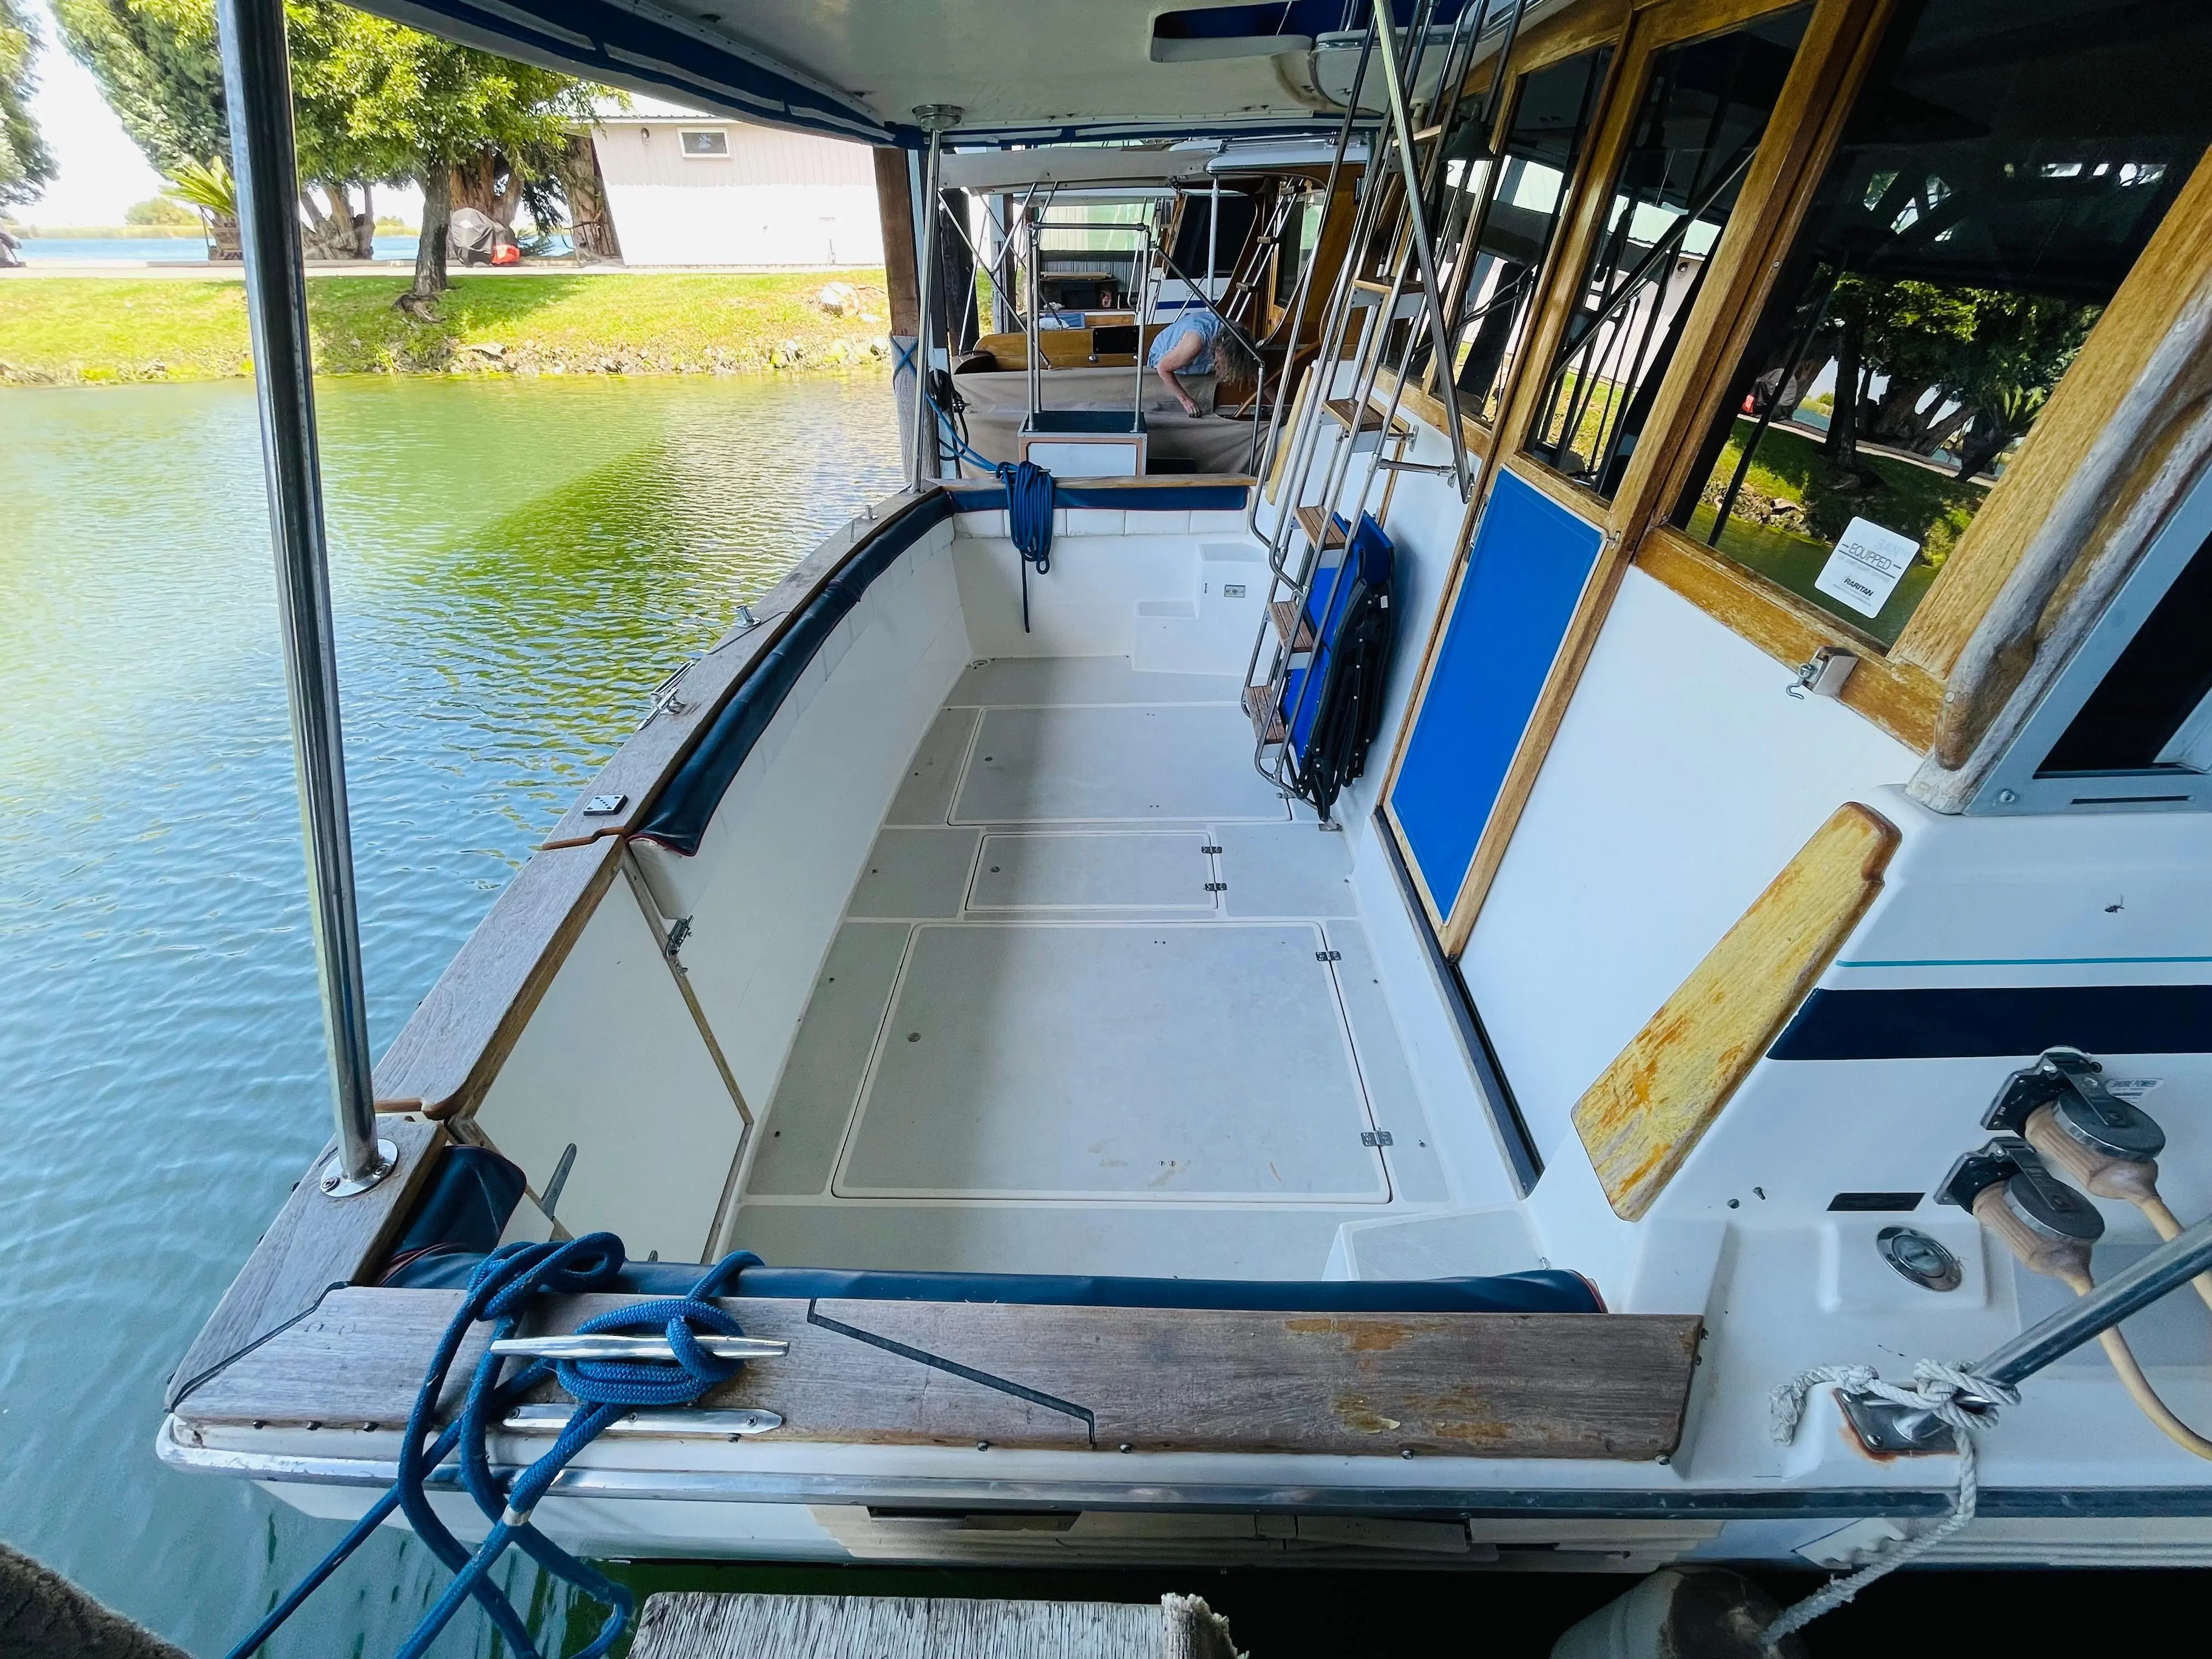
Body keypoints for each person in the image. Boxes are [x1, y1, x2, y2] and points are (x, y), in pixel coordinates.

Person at [1147, 308, 1224, 416]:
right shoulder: (1195, 343)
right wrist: (1185, 400)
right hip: (1162, 360)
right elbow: (1162, 368)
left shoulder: (1233, 333)